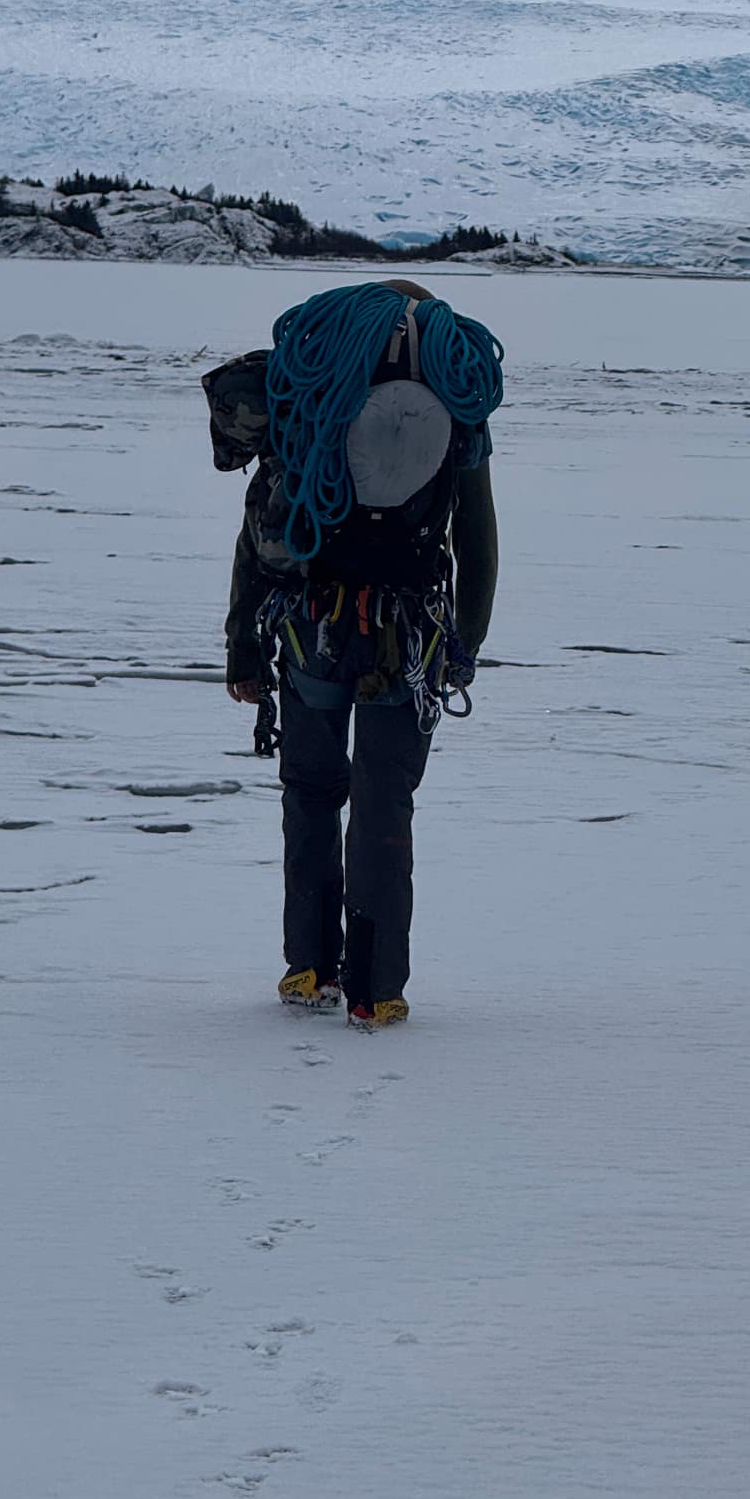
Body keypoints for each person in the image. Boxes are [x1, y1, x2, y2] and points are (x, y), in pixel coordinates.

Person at [219, 279, 500, 1031]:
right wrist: (464, 645)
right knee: (385, 804)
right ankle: (378, 989)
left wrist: (243, 646)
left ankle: (307, 966)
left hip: (312, 630)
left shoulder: (311, 398)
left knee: (311, 793)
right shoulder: (454, 402)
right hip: (409, 638)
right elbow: (477, 542)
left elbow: (261, 533)